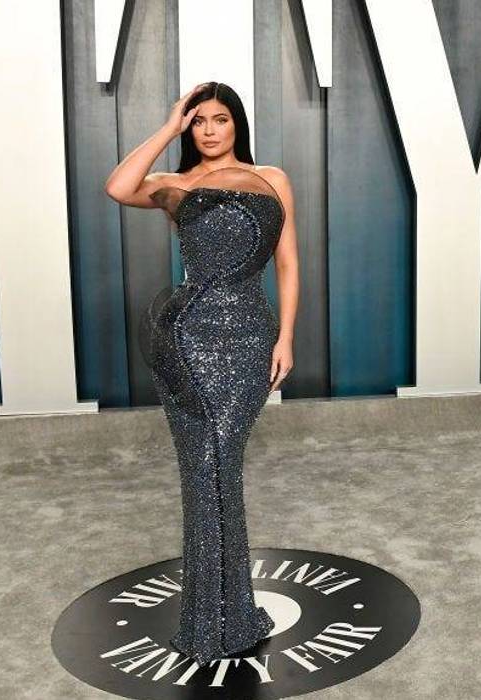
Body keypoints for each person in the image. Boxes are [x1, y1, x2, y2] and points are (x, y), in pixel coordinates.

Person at [104, 82, 299, 663]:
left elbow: (288, 265)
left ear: (237, 124)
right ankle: (216, 619)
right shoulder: (175, 184)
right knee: (203, 470)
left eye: (220, 119)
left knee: (221, 465)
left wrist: (286, 338)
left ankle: (224, 614)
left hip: (251, 335)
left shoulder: (272, 178)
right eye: (199, 122)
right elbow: (118, 187)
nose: (210, 130)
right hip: (186, 337)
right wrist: (168, 127)